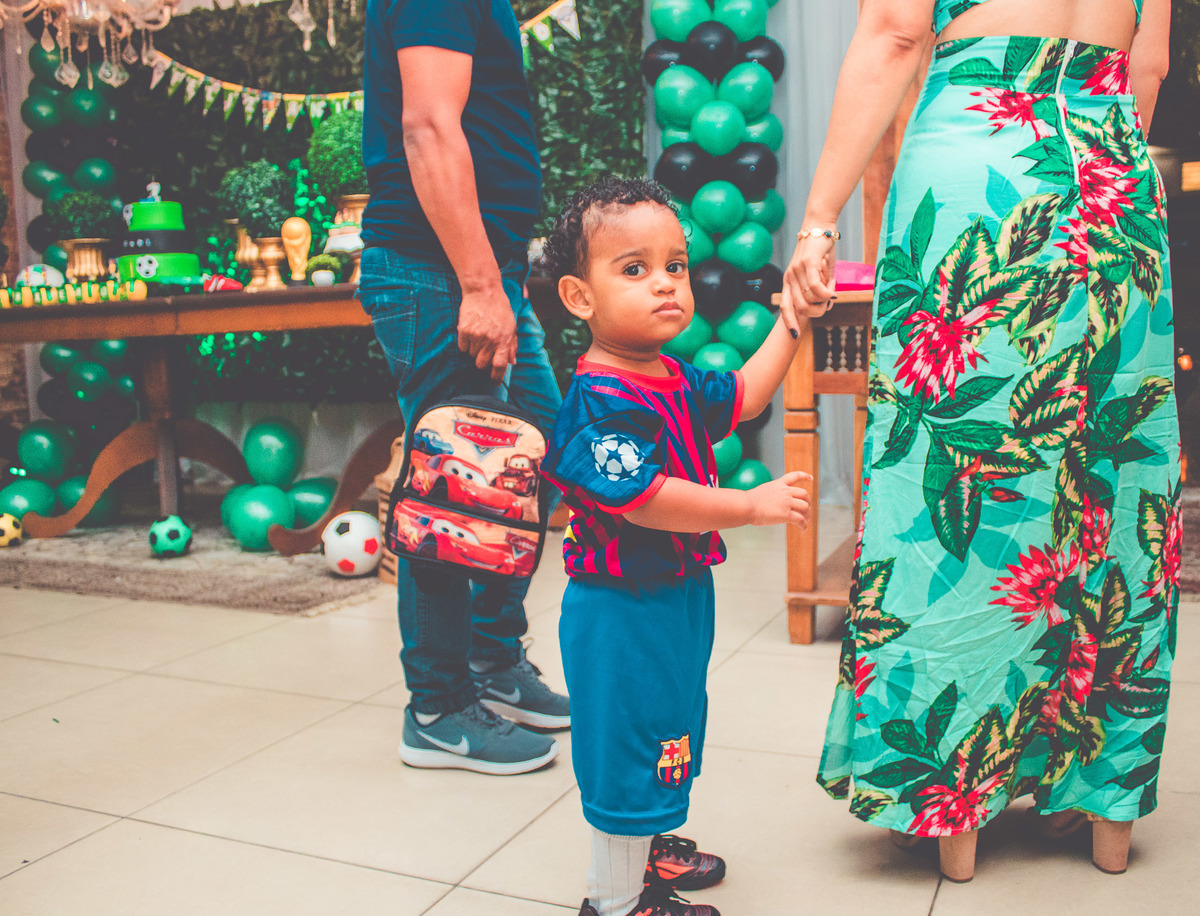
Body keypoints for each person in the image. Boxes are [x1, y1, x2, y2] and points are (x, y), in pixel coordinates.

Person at [783, 0, 1178, 882]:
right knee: (1112, 486)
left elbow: (893, 33)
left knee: (964, 474)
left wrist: (817, 220)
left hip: (984, 166)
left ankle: (953, 806)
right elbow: (1145, 69)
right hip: (1113, 182)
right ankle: (1096, 800)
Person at [538, 177, 823, 916]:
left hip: (674, 596)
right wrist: (747, 506)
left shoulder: (666, 375)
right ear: (580, 298)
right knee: (626, 742)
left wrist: (792, 317)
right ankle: (613, 898)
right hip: (620, 609)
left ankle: (653, 840)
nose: (665, 283)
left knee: (669, 721)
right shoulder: (600, 400)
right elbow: (645, 499)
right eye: (634, 269)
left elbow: (745, 395)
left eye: (676, 265)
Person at [357, 0, 570, 776]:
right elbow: (428, 128)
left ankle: (490, 661)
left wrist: (497, 281)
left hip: (485, 273)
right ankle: (439, 708)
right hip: (441, 273)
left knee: (540, 449)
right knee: (453, 487)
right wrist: (480, 286)